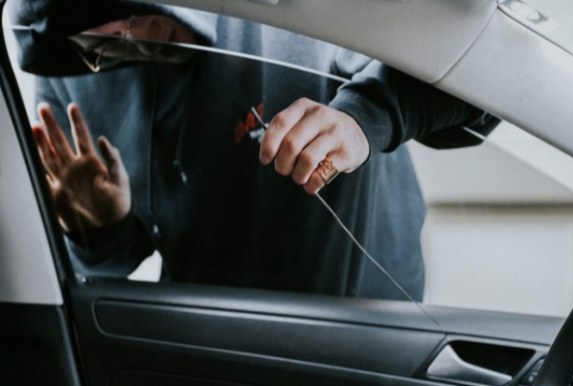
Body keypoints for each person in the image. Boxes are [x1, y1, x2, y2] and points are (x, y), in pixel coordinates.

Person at [8, 0, 499, 301]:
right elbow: (122, 257)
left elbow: (480, 71)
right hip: (208, 339)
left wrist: (366, 117)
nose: (136, 39)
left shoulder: (283, 14)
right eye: (105, 41)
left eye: (142, 16)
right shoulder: (68, 74)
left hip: (359, 330)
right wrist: (103, 231)